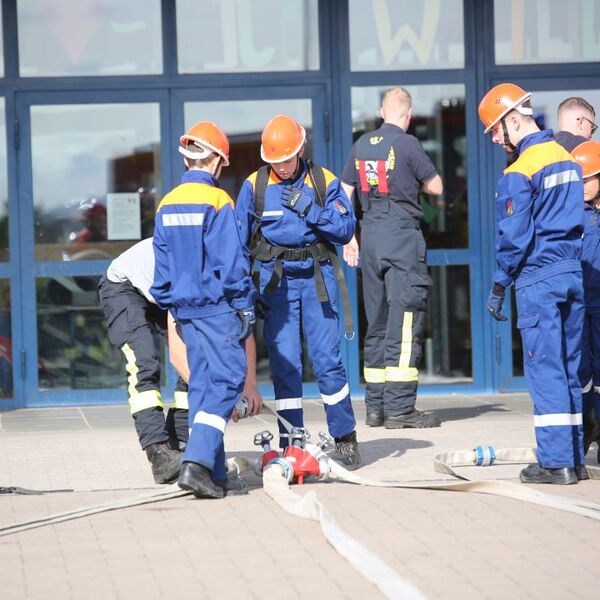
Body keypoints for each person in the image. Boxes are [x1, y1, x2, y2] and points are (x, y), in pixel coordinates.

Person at [235, 114, 361, 469]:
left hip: (317, 279)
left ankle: (345, 438)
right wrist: (242, 291)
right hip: (276, 284)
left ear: (301, 150)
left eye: (287, 160)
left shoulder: (324, 181)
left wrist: (312, 210)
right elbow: (237, 243)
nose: (283, 168)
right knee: (285, 364)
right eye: (275, 162)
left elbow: (345, 227)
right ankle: (292, 442)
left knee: (327, 362)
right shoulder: (254, 186)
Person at [479, 82, 587, 485]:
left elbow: (514, 235)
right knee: (571, 368)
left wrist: (498, 283)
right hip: (572, 273)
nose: (493, 138)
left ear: (510, 120)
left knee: (545, 371)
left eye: (494, 130)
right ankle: (574, 458)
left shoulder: (519, 171)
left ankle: (555, 463)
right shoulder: (566, 157)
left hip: (538, 278)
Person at [151, 121, 256, 499]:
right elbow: (231, 264)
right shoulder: (218, 202)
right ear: (216, 163)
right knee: (228, 381)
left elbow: (161, 269)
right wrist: (244, 306)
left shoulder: (166, 203)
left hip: (185, 312)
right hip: (217, 308)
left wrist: (172, 302)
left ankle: (213, 473)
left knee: (202, 387)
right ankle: (195, 464)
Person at [340, 87, 443, 429]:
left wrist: (349, 238)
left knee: (378, 323)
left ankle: (375, 407)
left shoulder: (361, 145)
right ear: (408, 115)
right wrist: (416, 185)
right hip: (401, 240)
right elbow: (437, 186)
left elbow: (344, 193)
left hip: (370, 237)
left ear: (382, 111)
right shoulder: (409, 144)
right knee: (404, 322)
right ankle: (400, 409)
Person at [98, 238, 189, 484]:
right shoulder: (184, 262)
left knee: (198, 356)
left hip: (158, 292)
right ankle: (158, 454)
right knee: (144, 363)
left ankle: (180, 440)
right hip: (123, 287)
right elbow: (177, 352)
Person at [571, 140, 600, 461]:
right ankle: (584, 430)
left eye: (587, 179)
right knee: (581, 373)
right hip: (579, 305)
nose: (581, 187)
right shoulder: (572, 215)